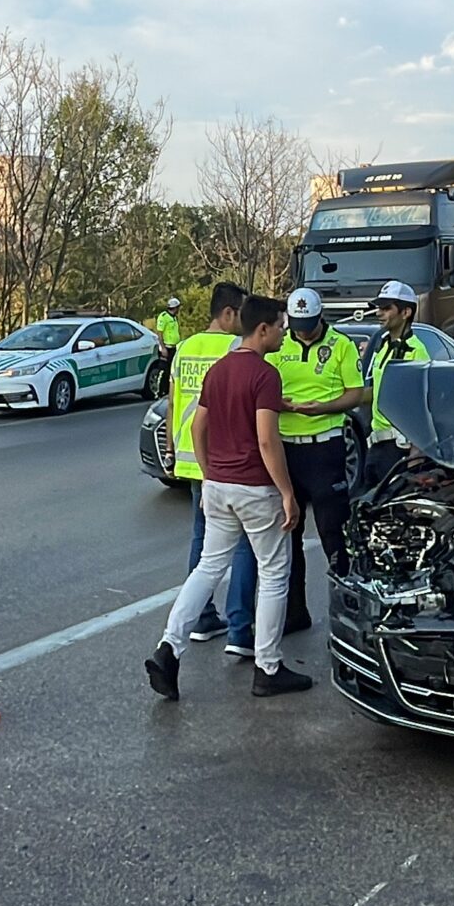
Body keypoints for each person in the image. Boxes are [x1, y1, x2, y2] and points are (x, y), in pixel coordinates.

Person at [146, 294, 312, 700]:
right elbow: (267, 440)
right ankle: (268, 667)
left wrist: (207, 473)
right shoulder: (264, 375)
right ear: (262, 329)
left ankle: (169, 647)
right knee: (274, 573)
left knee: (207, 568)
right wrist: (288, 493)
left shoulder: (219, 371)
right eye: (281, 327)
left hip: (217, 486)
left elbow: (199, 426)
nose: (284, 334)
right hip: (256, 489)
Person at [264, 286, 365, 638]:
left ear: (321, 316)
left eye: (308, 324)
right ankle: (295, 613)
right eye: (297, 324)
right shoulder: (280, 344)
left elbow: (356, 393)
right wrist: (280, 404)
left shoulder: (341, 345)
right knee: (288, 536)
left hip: (325, 448)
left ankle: (346, 613)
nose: (302, 331)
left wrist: (322, 407)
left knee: (333, 534)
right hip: (287, 449)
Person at [167, 282, 253, 645]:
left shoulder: (185, 347)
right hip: (222, 458)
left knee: (201, 541)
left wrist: (171, 449)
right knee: (242, 544)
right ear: (229, 313)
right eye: (241, 314)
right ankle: (240, 628)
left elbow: (173, 403)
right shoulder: (235, 348)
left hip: (189, 457)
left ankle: (201, 618)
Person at [359, 280, 429, 492]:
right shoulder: (384, 345)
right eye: (379, 308)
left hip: (399, 448)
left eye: (387, 308)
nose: (379, 313)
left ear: (406, 312)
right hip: (378, 445)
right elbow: (377, 391)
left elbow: (421, 404)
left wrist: (416, 452)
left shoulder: (416, 351)